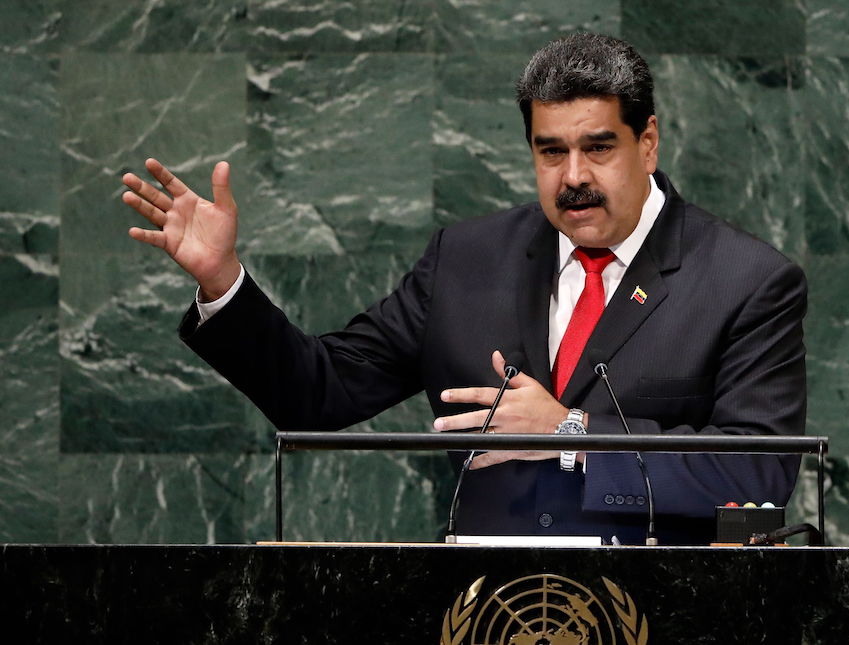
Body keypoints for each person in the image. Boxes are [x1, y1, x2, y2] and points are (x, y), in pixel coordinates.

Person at [120, 33, 807, 545]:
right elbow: (316, 393)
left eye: (597, 148)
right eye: (549, 151)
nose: (572, 176)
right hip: (479, 611)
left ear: (647, 142)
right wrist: (220, 280)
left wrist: (571, 433)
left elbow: (756, 474)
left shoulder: (745, 281)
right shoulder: (465, 260)